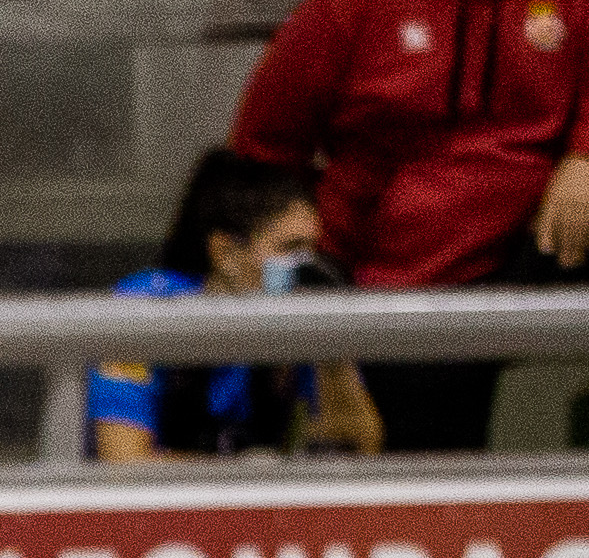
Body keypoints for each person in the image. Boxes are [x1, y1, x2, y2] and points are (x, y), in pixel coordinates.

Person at [227, 0, 589, 456]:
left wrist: (587, 160)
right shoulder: (347, 8)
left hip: (540, 245)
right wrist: (301, 253)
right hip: (403, 284)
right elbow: (261, 151)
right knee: (427, 497)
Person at [92, 147, 387, 461]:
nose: (306, 265)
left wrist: (333, 354)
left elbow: (361, 452)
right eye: (289, 247)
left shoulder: (308, 315)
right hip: (161, 509)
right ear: (225, 253)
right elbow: (125, 461)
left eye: (312, 249)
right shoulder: (144, 307)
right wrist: (245, 474)